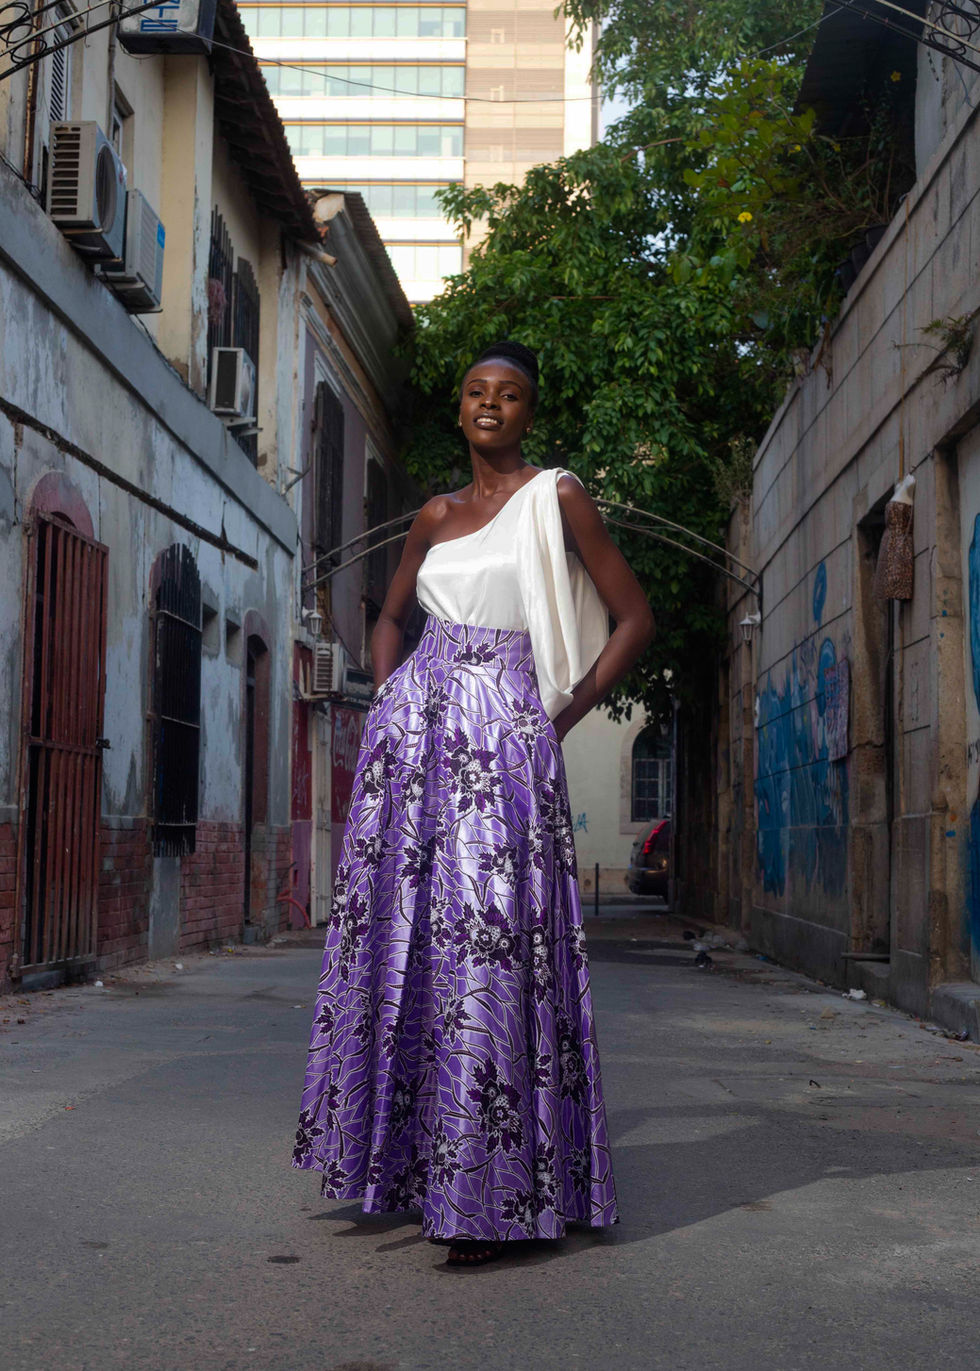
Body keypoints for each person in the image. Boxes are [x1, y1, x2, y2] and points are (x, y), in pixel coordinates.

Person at [293, 340, 656, 1267]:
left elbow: (635, 618)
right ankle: (405, 1168)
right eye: (476, 391)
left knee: (490, 949)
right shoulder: (435, 514)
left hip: (505, 743)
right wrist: (387, 701)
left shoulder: (556, 497)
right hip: (412, 744)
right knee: (406, 940)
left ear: (530, 412)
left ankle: (491, 1192)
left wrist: (555, 720)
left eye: (511, 393)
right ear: (458, 409)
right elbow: (391, 617)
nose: (491, 403)